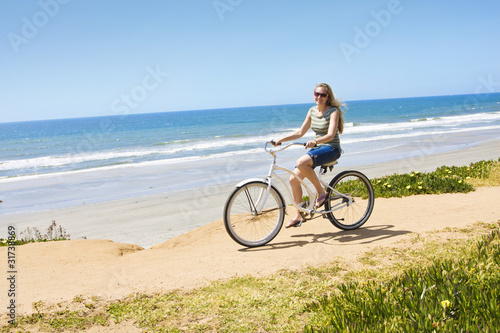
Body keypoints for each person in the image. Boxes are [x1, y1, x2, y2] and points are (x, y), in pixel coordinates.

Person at [273, 83, 344, 228]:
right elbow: (300, 132)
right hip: (317, 150)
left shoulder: (333, 112)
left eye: (323, 95)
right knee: (293, 179)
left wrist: (315, 140)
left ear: (327, 96)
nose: (319, 97)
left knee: (301, 162)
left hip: (331, 149)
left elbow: (330, 135)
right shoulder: (312, 111)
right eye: (316, 94)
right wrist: (281, 139)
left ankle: (321, 192)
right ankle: (299, 215)